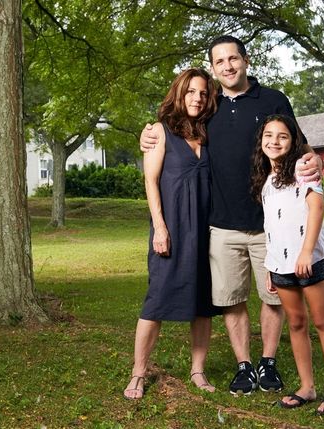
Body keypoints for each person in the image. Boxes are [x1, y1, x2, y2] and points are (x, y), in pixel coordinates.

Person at [141, 35, 323, 395]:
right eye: (219, 62)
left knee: (275, 297)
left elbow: (299, 144)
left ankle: (267, 363)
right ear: (213, 68)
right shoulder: (210, 106)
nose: (227, 66)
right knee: (230, 299)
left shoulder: (273, 99)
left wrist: (315, 158)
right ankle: (243, 365)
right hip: (221, 225)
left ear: (246, 60)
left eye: (233, 59)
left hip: (269, 223)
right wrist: (147, 134)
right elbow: (177, 125)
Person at [124, 68, 221, 400]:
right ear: (179, 94)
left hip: (207, 230)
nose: (197, 98)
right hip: (172, 228)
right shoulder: (160, 132)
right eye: (191, 92)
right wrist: (160, 227)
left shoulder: (209, 134)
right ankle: (138, 373)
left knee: (203, 304)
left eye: (203, 93)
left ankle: (198, 370)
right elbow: (150, 181)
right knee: (157, 300)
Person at [250, 114, 324, 416]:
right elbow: (271, 225)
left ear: (293, 142)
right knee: (296, 323)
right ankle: (307, 387)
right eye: (268, 135)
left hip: (310, 261)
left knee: (322, 321)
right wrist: (269, 264)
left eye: (282, 136)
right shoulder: (266, 179)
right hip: (280, 265)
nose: (274, 141)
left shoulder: (304, 169)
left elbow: (317, 208)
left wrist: (305, 253)